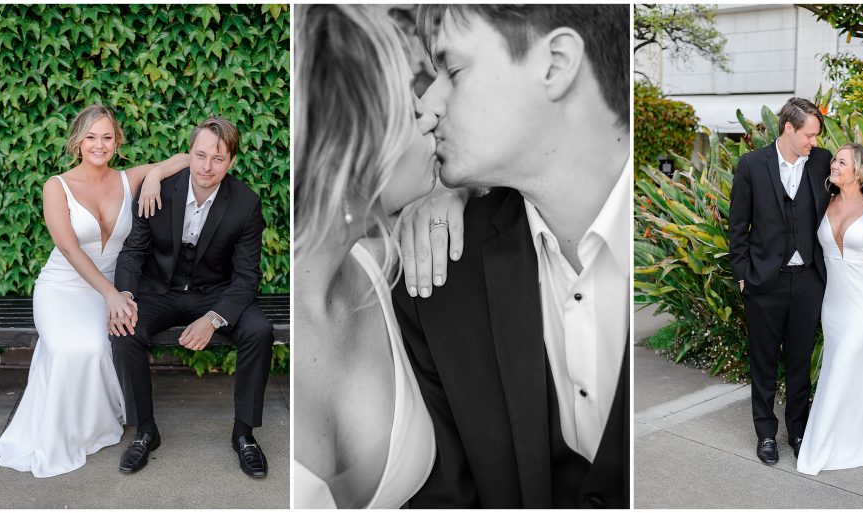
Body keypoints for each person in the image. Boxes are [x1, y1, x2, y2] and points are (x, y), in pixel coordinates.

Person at [390, 5, 630, 508]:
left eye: (452, 70)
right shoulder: (433, 282)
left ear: (555, 64)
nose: (426, 106)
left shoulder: (666, 245)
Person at [0, 104, 189, 478]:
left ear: (117, 142)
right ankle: (63, 434)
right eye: (91, 137)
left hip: (112, 290)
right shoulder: (56, 186)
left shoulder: (129, 179)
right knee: (71, 347)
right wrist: (111, 295)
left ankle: (96, 427)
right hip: (63, 288)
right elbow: (69, 248)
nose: (99, 144)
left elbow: (187, 157)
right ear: (77, 141)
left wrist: (155, 174)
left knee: (105, 343)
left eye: (107, 137)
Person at [293, 4, 440, 508]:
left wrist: (451, 193)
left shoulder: (382, 265)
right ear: (346, 137)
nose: (430, 112)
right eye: (407, 98)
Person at [110, 116, 273, 479]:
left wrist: (214, 317)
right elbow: (134, 251)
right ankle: (145, 431)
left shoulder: (245, 203)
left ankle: (244, 434)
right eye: (200, 155)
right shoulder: (159, 190)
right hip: (159, 290)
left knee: (259, 330)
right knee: (124, 329)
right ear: (189, 154)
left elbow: (247, 276)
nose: (206, 166)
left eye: (218, 159)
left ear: (231, 162)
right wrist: (124, 294)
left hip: (214, 293)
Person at [728, 98, 863, 466]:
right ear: (789, 128)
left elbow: (858, 182)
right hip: (763, 282)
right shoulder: (752, 165)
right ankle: (765, 434)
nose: (816, 142)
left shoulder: (821, 163)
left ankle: (798, 431)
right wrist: (742, 278)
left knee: (800, 361)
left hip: (810, 282)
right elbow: (738, 227)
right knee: (763, 361)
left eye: (817, 136)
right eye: (810, 135)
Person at [796, 143, 863, 474]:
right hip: (835, 305)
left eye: (841, 162)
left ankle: (819, 449)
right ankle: (861, 436)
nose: (834, 165)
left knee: (843, 365)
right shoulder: (827, 201)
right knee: (844, 368)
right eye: (834, 160)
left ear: (860, 172)